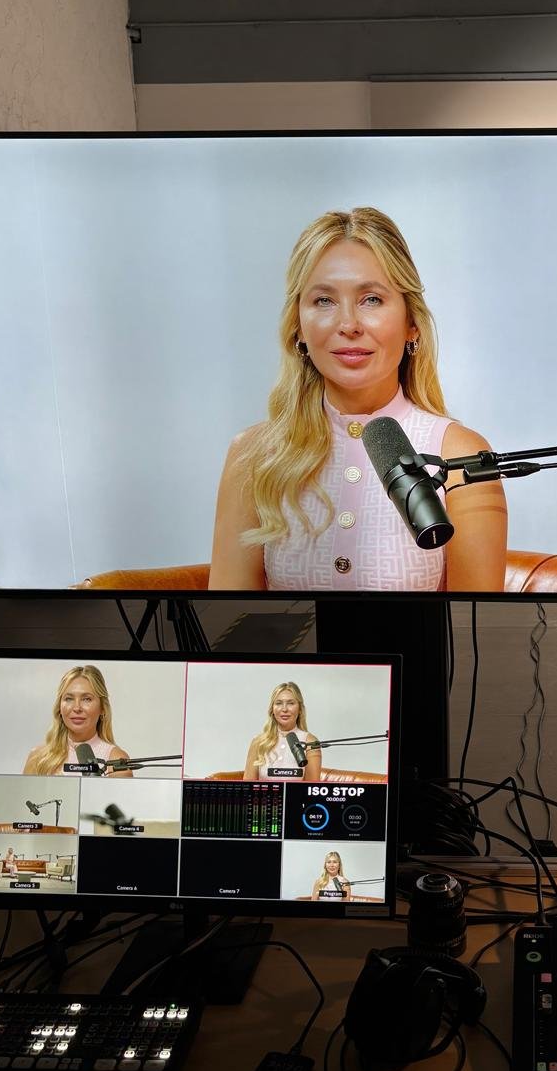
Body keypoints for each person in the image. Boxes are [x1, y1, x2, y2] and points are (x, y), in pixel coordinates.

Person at [209, 206, 507, 593]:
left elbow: (474, 626)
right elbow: (229, 624)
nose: (348, 325)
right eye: (324, 301)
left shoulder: (459, 456)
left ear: (411, 323)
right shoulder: (253, 457)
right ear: (298, 327)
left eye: (371, 299)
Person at [22, 665, 132, 778]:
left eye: (87, 699)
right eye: (69, 699)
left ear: (103, 708)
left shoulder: (116, 761)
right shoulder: (37, 758)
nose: (77, 708)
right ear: (59, 707)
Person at [244, 681, 322, 781]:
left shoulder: (310, 742)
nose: (284, 709)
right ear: (272, 709)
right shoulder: (258, 742)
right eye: (279, 703)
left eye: (291, 703)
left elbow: (311, 787)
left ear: (300, 709)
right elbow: (248, 786)